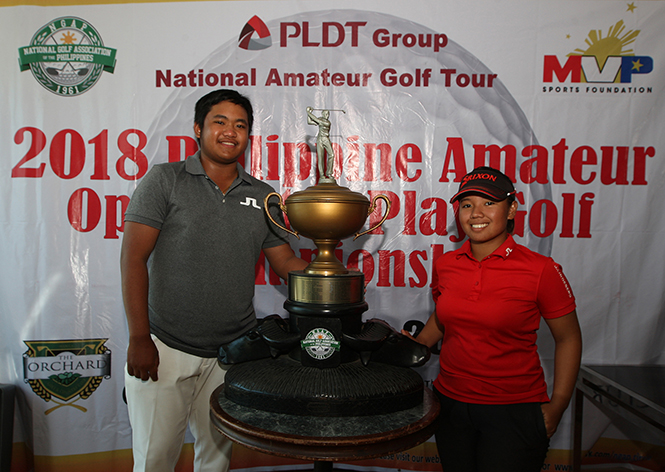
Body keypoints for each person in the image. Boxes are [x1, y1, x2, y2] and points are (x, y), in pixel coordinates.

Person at [121, 89, 308, 472]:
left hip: (231, 355)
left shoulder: (263, 195)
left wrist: (325, 275)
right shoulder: (164, 180)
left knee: (216, 461)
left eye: (240, 125)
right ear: (197, 129)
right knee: (154, 460)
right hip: (164, 348)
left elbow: (284, 259)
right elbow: (132, 259)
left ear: (248, 136)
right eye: (219, 121)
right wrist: (140, 337)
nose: (230, 131)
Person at [404, 166, 582, 472]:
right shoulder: (447, 264)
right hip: (450, 406)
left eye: (489, 203)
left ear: (512, 208)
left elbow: (569, 338)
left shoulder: (541, 270)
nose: (476, 213)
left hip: (514, 410)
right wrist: (417, 345)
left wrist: (559, 403)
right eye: (467, 204)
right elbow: (445, 317)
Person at [306, 106, 335, 181]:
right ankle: (322, 175)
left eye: (328, 114)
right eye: (325, 114)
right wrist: (309, 114)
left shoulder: (327, 122)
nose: (327, 115)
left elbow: (315, 119)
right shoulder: (321, 119)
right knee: (321, 157)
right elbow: (309, 122)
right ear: (322, 114)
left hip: (326, 139)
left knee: (331, 154)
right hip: (320, 139)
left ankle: (329, 173)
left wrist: (309, 112)